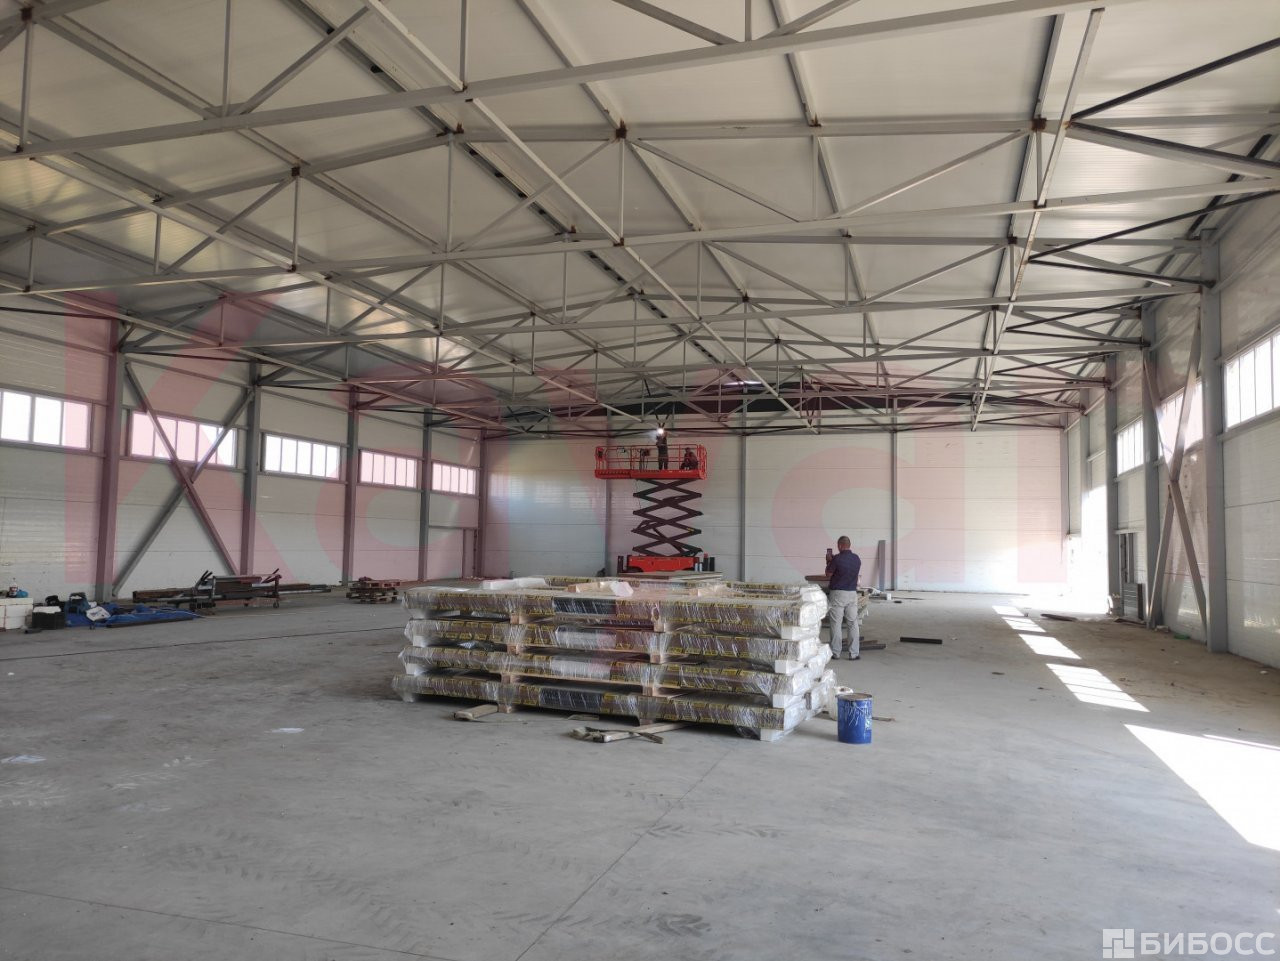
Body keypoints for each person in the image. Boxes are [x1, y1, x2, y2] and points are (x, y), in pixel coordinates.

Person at [825, 535, 862, 660]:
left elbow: (828, 574)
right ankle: (854, 653)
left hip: (838, 594)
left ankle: (836, 652)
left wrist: (829, 561)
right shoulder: (857, 558)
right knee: (853, 623)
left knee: (836, 623)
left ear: (840, 545)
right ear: (849, 545)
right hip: (852, 593)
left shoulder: (837, 559)